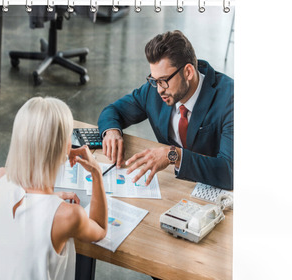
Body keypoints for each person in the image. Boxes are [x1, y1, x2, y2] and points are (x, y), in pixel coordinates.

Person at [0, 97, 108, 280]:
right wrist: (96, 172)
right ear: (62, 147)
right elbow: (100, 229)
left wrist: (50, 197)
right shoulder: (69, 216)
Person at [98, 30, 233, 190]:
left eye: (163, 81)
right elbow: (113, 111)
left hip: (215, 194)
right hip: (172, 186)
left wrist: (173, 155)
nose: (159, 90)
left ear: (188, 72)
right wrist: (112, 131)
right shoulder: (154, 90)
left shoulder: (230, 98)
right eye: (154, 80)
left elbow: (228, 172)